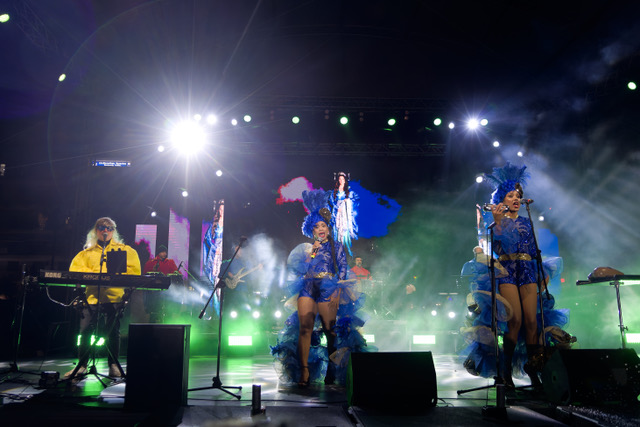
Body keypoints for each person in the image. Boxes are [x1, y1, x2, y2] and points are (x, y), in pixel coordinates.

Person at [460, 163, 574, 390]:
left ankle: (533, 370)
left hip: (527, 270)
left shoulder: (526, 221)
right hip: (507, 270)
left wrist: (541, 274)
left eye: (518, 195)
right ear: (501, 199)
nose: (516, 199)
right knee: (516, 320)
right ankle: (505, 371)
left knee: (532, 322)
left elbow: (532, 250)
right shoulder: (494, 223)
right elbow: (506, 245)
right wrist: (499, 220)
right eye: (510, 195)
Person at [271, 189, 370, 387]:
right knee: (305, 328)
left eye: (323, 225)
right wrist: (313, 253)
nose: (320, 229)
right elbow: (301, 269)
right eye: (316, 226)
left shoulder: (336, 246)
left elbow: (342, 267)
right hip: (308, 286)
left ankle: (332, 369)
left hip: (329, 288)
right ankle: (304, 371)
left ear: (328, 228)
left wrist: (339, 288)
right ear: (312, 230)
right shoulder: (308, 249)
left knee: (329, 330)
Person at [65, 217, 141, 379]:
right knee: (85, 331)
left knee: (113, 332)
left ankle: (113, 366)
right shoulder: (86, 253)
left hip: (114, 297)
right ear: (96, 230)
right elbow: (75, 270)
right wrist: (96, 273)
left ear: (113, 231)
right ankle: (81, 366)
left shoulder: (125, 250)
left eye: (109, 228)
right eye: (101, 227)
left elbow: (134, 272)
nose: (105, 230)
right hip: (91, 298)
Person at [142, 245, 178, 322]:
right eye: (163, 252)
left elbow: (176, 274)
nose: (165, 254)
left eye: (165, 252)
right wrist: (153, 270)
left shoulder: (170, 262)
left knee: (166, 311)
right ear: (159, 253)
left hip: (167, 291)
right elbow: (146, 276)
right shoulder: (150, 263)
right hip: (154, 292)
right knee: (154, 311)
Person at [327, 172, 358, 256]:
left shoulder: (348, 191)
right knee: (337, 231)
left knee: (344, 232)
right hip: (337, 212)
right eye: (340, 179)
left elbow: (354, 200)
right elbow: (331, 202)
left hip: (345, 213)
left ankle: (346, 250)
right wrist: (337, 207)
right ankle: (337, 250)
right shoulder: (335, 191)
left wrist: (346, 202)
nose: (341, 180)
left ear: (345, 180)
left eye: (342, 179)